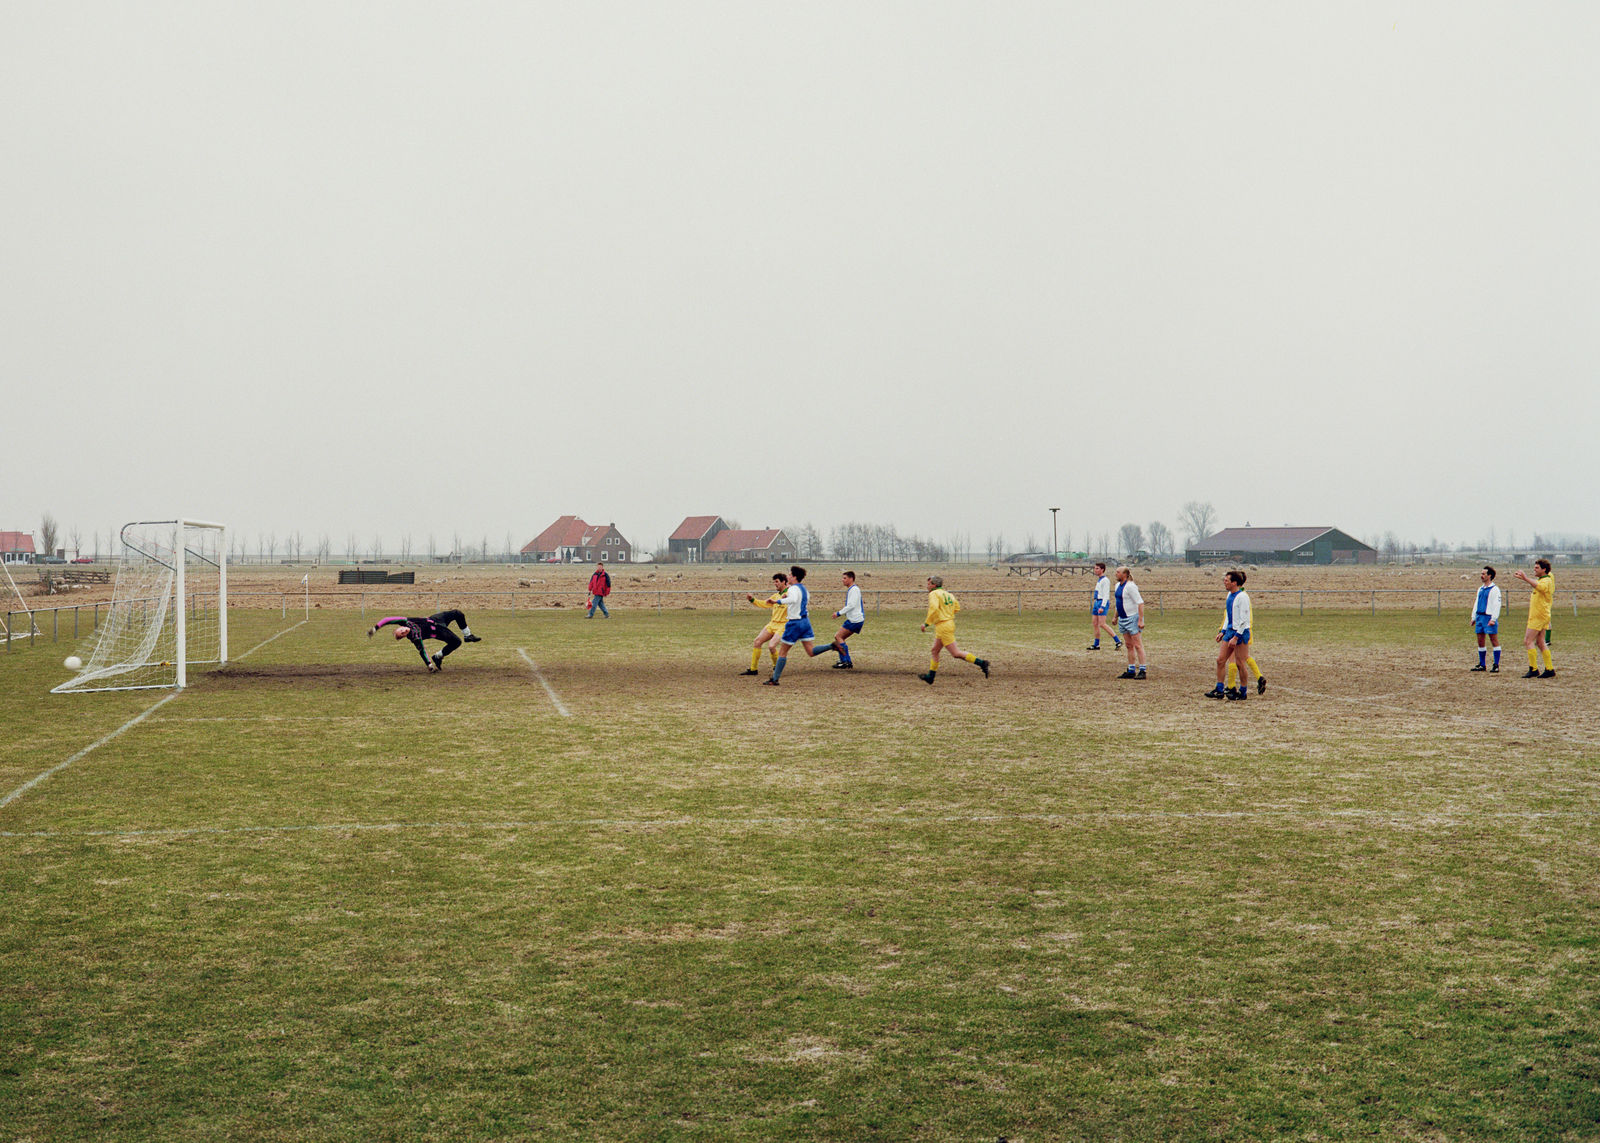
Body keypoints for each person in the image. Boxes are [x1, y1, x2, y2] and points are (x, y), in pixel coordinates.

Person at [763, 566, 830, 686]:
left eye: (789, 575)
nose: (787, 576)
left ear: (794, 577)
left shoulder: (793, 588)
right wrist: (787, 597)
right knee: (811, 651)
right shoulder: (804, 589)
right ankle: (832, 646)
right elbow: (801, 600)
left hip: (794, 623)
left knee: (782, 653)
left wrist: (777, 601)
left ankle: (774, 679)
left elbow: (793, 599)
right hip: (805, 622)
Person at [917, 575, 990, 684]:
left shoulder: (933, 594)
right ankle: (930, 677)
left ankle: (982, 663)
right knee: (935, 650)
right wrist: (947, 614)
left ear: (934, 585)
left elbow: (934, 608)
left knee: (955, 653)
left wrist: (926, 623)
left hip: (943, 626)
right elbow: (957, 608)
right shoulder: (949, 594)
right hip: (948, 623)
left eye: (928, 584)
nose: (927, 586)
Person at [368, 609, 481, 672]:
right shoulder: (415, 637)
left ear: (399, 627)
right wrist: (429, 665)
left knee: (457, 613)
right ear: (403, 636)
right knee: (456, 642)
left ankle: (468, 635)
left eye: (400, 630)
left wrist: (375, 628)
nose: (403, 632)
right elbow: (422, 651)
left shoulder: (405, 621)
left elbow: (387, 619)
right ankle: (437, 656)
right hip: (438, 631)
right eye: (402, 635)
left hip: (435, 619)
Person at [1206, 570, 1253, 700]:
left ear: (1234, 583)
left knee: (1240, 663)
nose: (1224, 582)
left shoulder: (1242, 597)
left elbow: (1244, 619)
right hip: (1230, 631)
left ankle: (1243, 692)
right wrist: (1223, 631)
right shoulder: (1229, 595)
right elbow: (1229, 615)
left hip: (1241, 633)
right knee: (1220, 660)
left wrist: (1236, 637)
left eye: (1227, 580)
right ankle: (1219, 689)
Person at [811, 569, 865, 668]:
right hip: (855, 619)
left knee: (838, 637)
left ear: (851, 579)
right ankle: (845, 661)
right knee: (840, 638)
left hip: (854, 620)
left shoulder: (854, 590)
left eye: (845, 578)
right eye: (842, 578)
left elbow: (851, 605)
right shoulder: (853, 589)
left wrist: (838, 613)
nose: (842, 580)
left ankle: (845, 661)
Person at [1513, 558, 1555, 678]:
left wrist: (1525, 578)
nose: (1534, 569)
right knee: (1540, 642)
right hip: (1541, 615)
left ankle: (1534, 668)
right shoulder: (1543, 579)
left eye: (1537, 567)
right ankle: (1549, 668)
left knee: (1528, 641)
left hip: (1539, 616)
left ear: (1544, 569)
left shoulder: (1546, 580)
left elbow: (1540, 587)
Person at [742, 571, 789, 676]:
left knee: (771, 646)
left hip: (783, 626)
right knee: (757, 642)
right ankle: (753, 669)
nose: (775, 584)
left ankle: (777, 668)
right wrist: (752, 600)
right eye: (774, 582)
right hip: (772, 624)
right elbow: (764, 603)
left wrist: (788, 595)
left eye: (777, 582)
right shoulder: (776, 596)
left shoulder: (790, 594)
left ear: (784, 582)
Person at [1112, 566, 1146, 679]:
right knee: (1128, 645)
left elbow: (1140, 603)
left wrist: (1140, 620)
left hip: (1132, 618)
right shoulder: (1117, 586)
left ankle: (1142, 670)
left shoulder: (1131, 586)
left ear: (1125, 574)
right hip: (1122, 619)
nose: (1116, 574)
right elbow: (1119, 603)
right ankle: (1131, 669)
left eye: (1118, 572)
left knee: (1137, 645)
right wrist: (1115, 617)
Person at [1469, 565, 1502, 673]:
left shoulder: (1495, 589)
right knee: (1480, 640)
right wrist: (1473, 617)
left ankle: (1496, 664)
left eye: (1483, 574)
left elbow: (1497, 605)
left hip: (1488, 617)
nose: (1481, 576)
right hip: (1480, 617)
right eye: (1481, 574)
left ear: (1490, 576)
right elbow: (1476, 603)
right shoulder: (1480, 589)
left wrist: (1493, 618)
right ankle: (1482, 664)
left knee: (1493, 640)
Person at [1087, 561, 1122, 651]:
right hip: (1097, 602)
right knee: (1095, 623)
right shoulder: (1099, 580)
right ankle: (1096, 644)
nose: (1095, 570)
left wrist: (1102, 606)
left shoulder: (1105, 580)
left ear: (1102, 570)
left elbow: (1106, 595)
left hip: (1102, 602)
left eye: (1097, 568)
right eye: (1095, 568)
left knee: (1102, 624)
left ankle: (1118, 641)